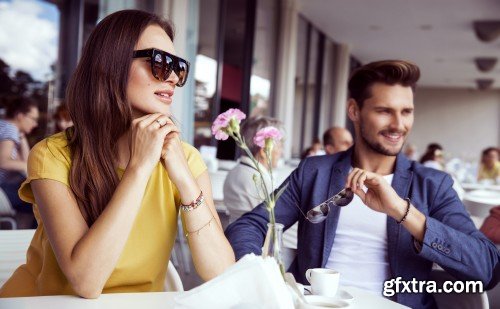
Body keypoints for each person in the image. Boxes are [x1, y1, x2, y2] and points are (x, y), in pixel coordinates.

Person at [225, 60, 499, 308]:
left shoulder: (432, 185)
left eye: (406, 112)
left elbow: (487, 268)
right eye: (385, 111)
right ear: (354, 110)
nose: (398, 125)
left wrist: (403, 212)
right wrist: (264, 282)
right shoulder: (316, 172)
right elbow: (250, 225)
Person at [0, 10, 234, 298]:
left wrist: (185, 180)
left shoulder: (184, 160)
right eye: (159, 63)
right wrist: (139, 168)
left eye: (178, 66)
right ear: (112, 66)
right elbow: (86, 281)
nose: (173, 77)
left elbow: (222, 271)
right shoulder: (53, 155)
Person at [0, 96, 39, 228]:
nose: (35, 124)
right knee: (42, 201)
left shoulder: (5, 127)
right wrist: (34, 168)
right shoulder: (10, 128)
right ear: (20, 115)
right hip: (1, 191)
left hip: (3, 190)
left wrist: (22, 137)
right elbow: (3, 161)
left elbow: (25, 160)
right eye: (33, 119)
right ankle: (31, 242)